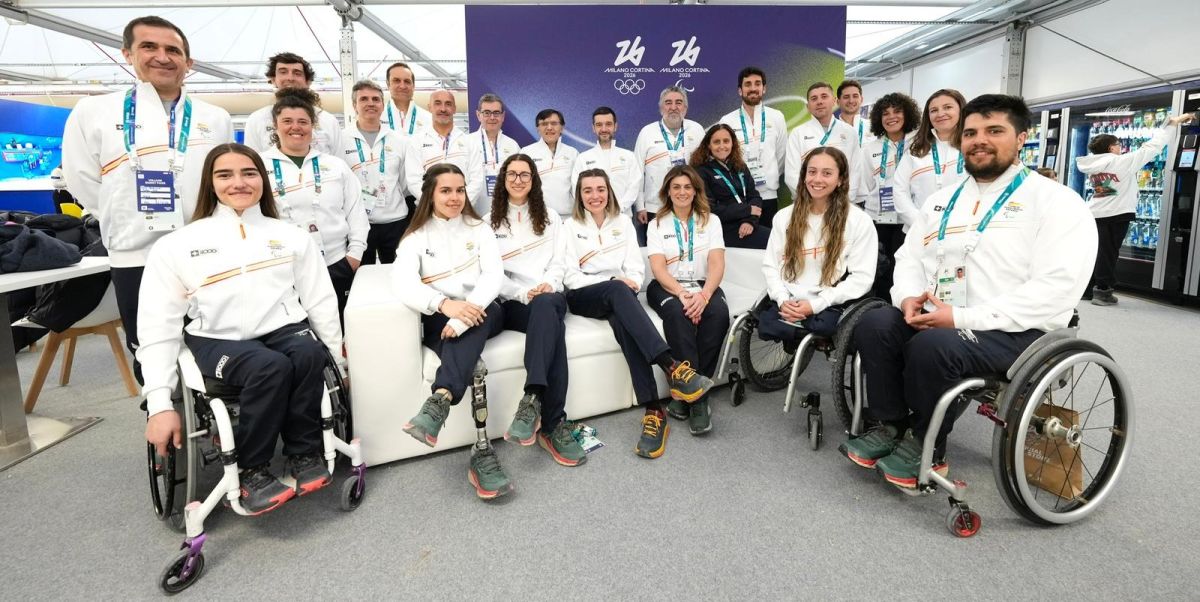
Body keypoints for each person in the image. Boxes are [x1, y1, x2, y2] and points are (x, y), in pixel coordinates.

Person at [839, 94, 1097, 491]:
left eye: (994, 131)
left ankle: (926, 445)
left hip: (1016, 329)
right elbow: (909, 257)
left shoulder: (1056, 202)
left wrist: (959, 318)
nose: (980, 140)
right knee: (874, 324)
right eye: (971, 133)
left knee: (934, 346)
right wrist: (908, 297)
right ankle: (890, 425)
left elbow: (1056, 289)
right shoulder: (943, 201)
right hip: (942, 315)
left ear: (1021, 138)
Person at [139, 143, 344, 515]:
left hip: (281, 328)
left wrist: (340, 363)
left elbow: (320, 300)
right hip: (217, 338)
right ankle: (253, 470)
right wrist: (159, 405)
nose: (239, 183)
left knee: (309, 353)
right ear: (210, 183)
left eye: (249, 173)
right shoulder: (178, 245)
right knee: (269, 367)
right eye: (225, 175)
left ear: (262, 180)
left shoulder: (291, 236)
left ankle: (303, 453)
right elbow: (157, 324)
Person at [61, 15, 233, 383]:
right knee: (149, 345)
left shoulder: (214, 117)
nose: (163, 57)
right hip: (135, 253)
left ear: (188, 62)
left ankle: (212, 409)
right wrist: (123, 215)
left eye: (173, 50)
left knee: (214, 337)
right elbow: (81, 178)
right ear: (127, 54)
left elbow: (224, 179)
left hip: (202, 249)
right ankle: (160, 407)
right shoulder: (94, 112)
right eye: (149, 47)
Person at [562, 168, 715, 459]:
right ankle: (672, 366)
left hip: (620, 296)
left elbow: (635, 267)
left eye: (600, 189)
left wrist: (629, 281)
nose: (595, 196)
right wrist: (614, 283)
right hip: (584, 295)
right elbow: (569, 276)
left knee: (624, 322)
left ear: (609, 192)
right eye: (587, 190)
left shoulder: (622, 222)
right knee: (617, 290)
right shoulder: (569, 226)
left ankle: (653, 411)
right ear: (579, 196)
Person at [393, 163, 511, 499]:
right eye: (446, 190)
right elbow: (402, 282)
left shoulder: (479, 228)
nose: (455, 197)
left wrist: (462, 316)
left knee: (484, 315)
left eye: (460, 190)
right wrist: (443, 305)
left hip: (484, 310)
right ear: (430, 194)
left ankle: (440, 398)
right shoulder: (415, 237)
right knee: (472, 364)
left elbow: (493, 276)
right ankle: (482, 451)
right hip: (439, 317)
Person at [484, 153, 586, 466]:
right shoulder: (488, 222)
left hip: (549, 294)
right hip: (514, 303)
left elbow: (559, 261)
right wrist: (521, 292)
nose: (518, 180)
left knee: (547, 306)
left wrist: (548, 284)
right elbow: (490, 274)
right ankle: (552, 424)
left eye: (524, 174)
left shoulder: (551, 217)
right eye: (512, 174)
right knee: (553, 328)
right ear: (503, 179)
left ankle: (532, 399)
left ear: (533, 180)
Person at [259, 89, 368, 319]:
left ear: (312, 126)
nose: (295, 127)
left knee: (341, 325)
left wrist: (354, 256)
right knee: (296, 327)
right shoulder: (258, 166)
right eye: (287, 121)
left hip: (336, 263)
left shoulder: (335, 165)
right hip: (285, 269)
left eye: (303, 121)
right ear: (275, 125)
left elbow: (356, 212)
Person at [759, 147, 876, 348]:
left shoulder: (859, 221)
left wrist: (816, 305)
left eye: (827, 173)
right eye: (812, 172)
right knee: (765, 322)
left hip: (830, 301)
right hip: (789, 300)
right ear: (804, 176)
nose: (817, 179)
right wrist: (782, 299)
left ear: (840, 180)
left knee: (823, 325)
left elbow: (862, 278)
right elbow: (771, 265)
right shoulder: (784, 217)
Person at [645, 165, 731, 435]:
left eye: (687, 187)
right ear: (668, 192)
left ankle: (689, 396)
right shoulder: (657, 224)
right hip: (667, 286)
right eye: (676, 187)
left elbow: (717, 263)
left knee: (718, 314)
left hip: (702, 285)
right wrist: (681, 294)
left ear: (695, 191)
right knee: (677, 314)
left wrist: (704, 296)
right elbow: (658, 269)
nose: (682, 192)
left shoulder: (711, 221)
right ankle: (698, 398)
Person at [1076, 113, 1194, 305]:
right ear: (1111, 148)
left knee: (1095, 252)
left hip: (1094, 212)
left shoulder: (1093, 164)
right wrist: (1171, 124)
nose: (1120, 147)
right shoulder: (1121, 162)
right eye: (1117, 144)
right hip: (1116, 213)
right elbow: (1152, 147)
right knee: (1108, 254)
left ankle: (1087, 290)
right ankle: (1103, 292)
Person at [339, 80, 408, 265]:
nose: (370, 103)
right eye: (364, 99)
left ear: (382, 105)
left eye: (376, 99)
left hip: (395, 221)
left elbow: (403, 181)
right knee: (362, 274)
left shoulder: (399, 141)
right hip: (358, 223)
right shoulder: (342, 140)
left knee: (397, 272)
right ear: (354, 105)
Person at [860, 92, 920, 298]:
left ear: (907, 114)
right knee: (881, 266)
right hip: (879, 217)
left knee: (905, 266)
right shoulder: (871, 148)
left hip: (909, 218)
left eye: (897, 111)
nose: (891, 117)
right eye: (885, 113)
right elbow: (867, 183)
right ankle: (882, 305)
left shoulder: (919, 143)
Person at [634, 86, 704, 245]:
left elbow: (706, 168)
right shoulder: (647, 132)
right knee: (658, 251)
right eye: (668, 103)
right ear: (661, 108)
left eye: (678, 102)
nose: (673, 107)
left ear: (685, 108)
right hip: (655, 207)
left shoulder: (697, 130)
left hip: (691, 205)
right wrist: (640, 206)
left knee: (689, 247)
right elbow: (637, 172)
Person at [719, 67, 788, 225]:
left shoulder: (776, 117)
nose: (753, 88)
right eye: (748, 84)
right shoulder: (727, 120)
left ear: (764, 88)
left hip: (768, 194)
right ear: (740, 90)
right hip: (738, 196)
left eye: (757, 83)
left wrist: (769, 173)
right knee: (741, 239)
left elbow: (781, 154)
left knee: (767, 238)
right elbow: (724, 158)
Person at [892, 89, 968, 231]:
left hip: (962, 229)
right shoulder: (916, 149)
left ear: (961, 110)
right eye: (934, 110)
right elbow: (899, 190)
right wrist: (920, 223)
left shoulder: (973, 148)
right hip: (920, 230)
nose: (940, 114)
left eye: (947, 107)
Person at [243, 53, 342, 156]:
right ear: (273, 80)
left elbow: (339, 161)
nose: (290, 78)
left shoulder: (328, 121)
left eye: (297, 73)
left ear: (308, 82)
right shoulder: (257, 120)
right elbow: (252, 161)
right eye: (283, 72)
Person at [690, 123, 770, 249]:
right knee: (774, 241)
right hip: (722, 229)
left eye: (726, 141)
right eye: (716, 142)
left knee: (779, 238)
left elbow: (754, 196)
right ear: (708, 145)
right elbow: (709, 209)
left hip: (746, 223)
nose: (722, 146)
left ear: (733, 143)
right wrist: (746, 210)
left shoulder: (740, 166)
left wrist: (749, 221)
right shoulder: (701, 171)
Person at [785, 82, 866, 202]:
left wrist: (843, 200)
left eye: (824, 96)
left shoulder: (849, 132)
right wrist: (813, 199)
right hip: (807, 203)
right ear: (808, 106)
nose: (819, 102)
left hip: (841, 203)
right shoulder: (797, 133)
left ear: (834, 101)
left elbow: (855, 171)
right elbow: (791, 174)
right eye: (814, 98)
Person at [571, 106, 642, 218]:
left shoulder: (628, 156)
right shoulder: (583, 158)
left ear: (615, 126)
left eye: (608, 124)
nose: (604, 129)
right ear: (593, 128)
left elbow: (634, 186)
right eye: (599, 125)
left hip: (623, 216)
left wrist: (618, 208)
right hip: (593, 218)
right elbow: (577, 188)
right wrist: (597, 210)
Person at [403, 90, 469, 201]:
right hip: (428, 207)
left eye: (448, 104)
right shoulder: (416, 141)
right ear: (430, 108)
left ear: (454, 109)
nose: (443, 109)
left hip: (462, 206)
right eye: (438, 103)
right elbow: (414, 181)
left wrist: (460, 202)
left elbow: (476, 180)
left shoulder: (468, 141)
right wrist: (436, 203)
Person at [464, 94, 520, 215]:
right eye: (487, 113)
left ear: (503, 116)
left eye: (496, 113)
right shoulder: (466, 143)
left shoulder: (512, 145)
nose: (492, 117)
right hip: (473, 212)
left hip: (506, 212)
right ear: (478, 115)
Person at [520, 109, 578, 218]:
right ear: (538, 128)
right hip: (537, 217)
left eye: (554, 123)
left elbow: (577, 187)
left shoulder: (573, 153)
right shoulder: (526, 153)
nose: (549, 127)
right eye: (544, 124)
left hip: (568, 217)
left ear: (562, 127)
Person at [383, 62, 432, 138]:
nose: (402, 86)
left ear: (413, 86)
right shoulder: (377, 117)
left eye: (407, 81)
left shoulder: (429, 119)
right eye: (396, 80)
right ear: (388, 84)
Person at [837, 80, 869, 147]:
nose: (851, 101)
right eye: (846, 97)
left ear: (861, 99)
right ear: (838, 102)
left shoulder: (872, 127)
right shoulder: (830, 131)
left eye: (855, 96)